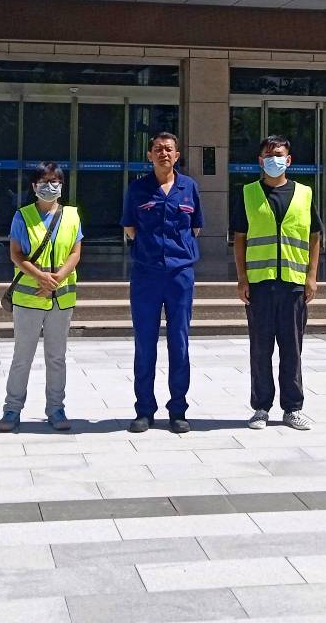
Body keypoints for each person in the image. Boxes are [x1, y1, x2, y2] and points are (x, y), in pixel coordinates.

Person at [231, 134, 320, 431]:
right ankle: (261, 408)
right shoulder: (248, 193)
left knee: (292, 349)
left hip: (293, 283)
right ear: (260, 161)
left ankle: (293, 408)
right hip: (260, 284)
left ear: (289, 160)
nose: (274, 160)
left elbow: (315, 236)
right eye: (268, 155)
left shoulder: (304, 194)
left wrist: (311, 277)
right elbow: (240, 238)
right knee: (260, 349)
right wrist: (242, 278)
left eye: (279, 155)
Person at [120, 131, 202, 434]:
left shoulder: (189, 187)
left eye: (168, 149)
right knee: (145, 343)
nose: (163, 153)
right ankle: (144, 410)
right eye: (158, 149)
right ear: (149, 155)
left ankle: (178, 410)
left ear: (177, 155)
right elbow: (130, 227)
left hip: (180, 275)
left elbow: (195, 227)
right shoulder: (137, 189)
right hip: (146, 274)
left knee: (179, 342)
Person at [0, 161, 82, 433]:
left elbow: (75, 252)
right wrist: (41, 278)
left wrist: (56, 279)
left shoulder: (72, 216)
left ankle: (56, 408)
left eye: (55, 181)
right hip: (29, 297)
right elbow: (16, 254)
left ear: (62, 185)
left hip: (61, 297)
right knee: (22, 357)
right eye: (44, 181)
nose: (50, 186)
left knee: (57, 357)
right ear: (34, 186)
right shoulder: (22, 216)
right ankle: (12, 409)